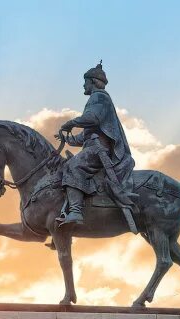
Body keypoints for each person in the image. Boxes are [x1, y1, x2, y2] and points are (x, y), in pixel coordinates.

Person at [55, 62, 135, 228]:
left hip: (100, 150)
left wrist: (71, 122)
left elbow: (92, 118)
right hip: (93, 146)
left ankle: (76, 211)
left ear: (92, 81)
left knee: (72, 166)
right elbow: (86, 136)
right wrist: (68, 139)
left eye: (85, 81)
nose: (83, 85)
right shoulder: (96, 98)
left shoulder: (99, 97)